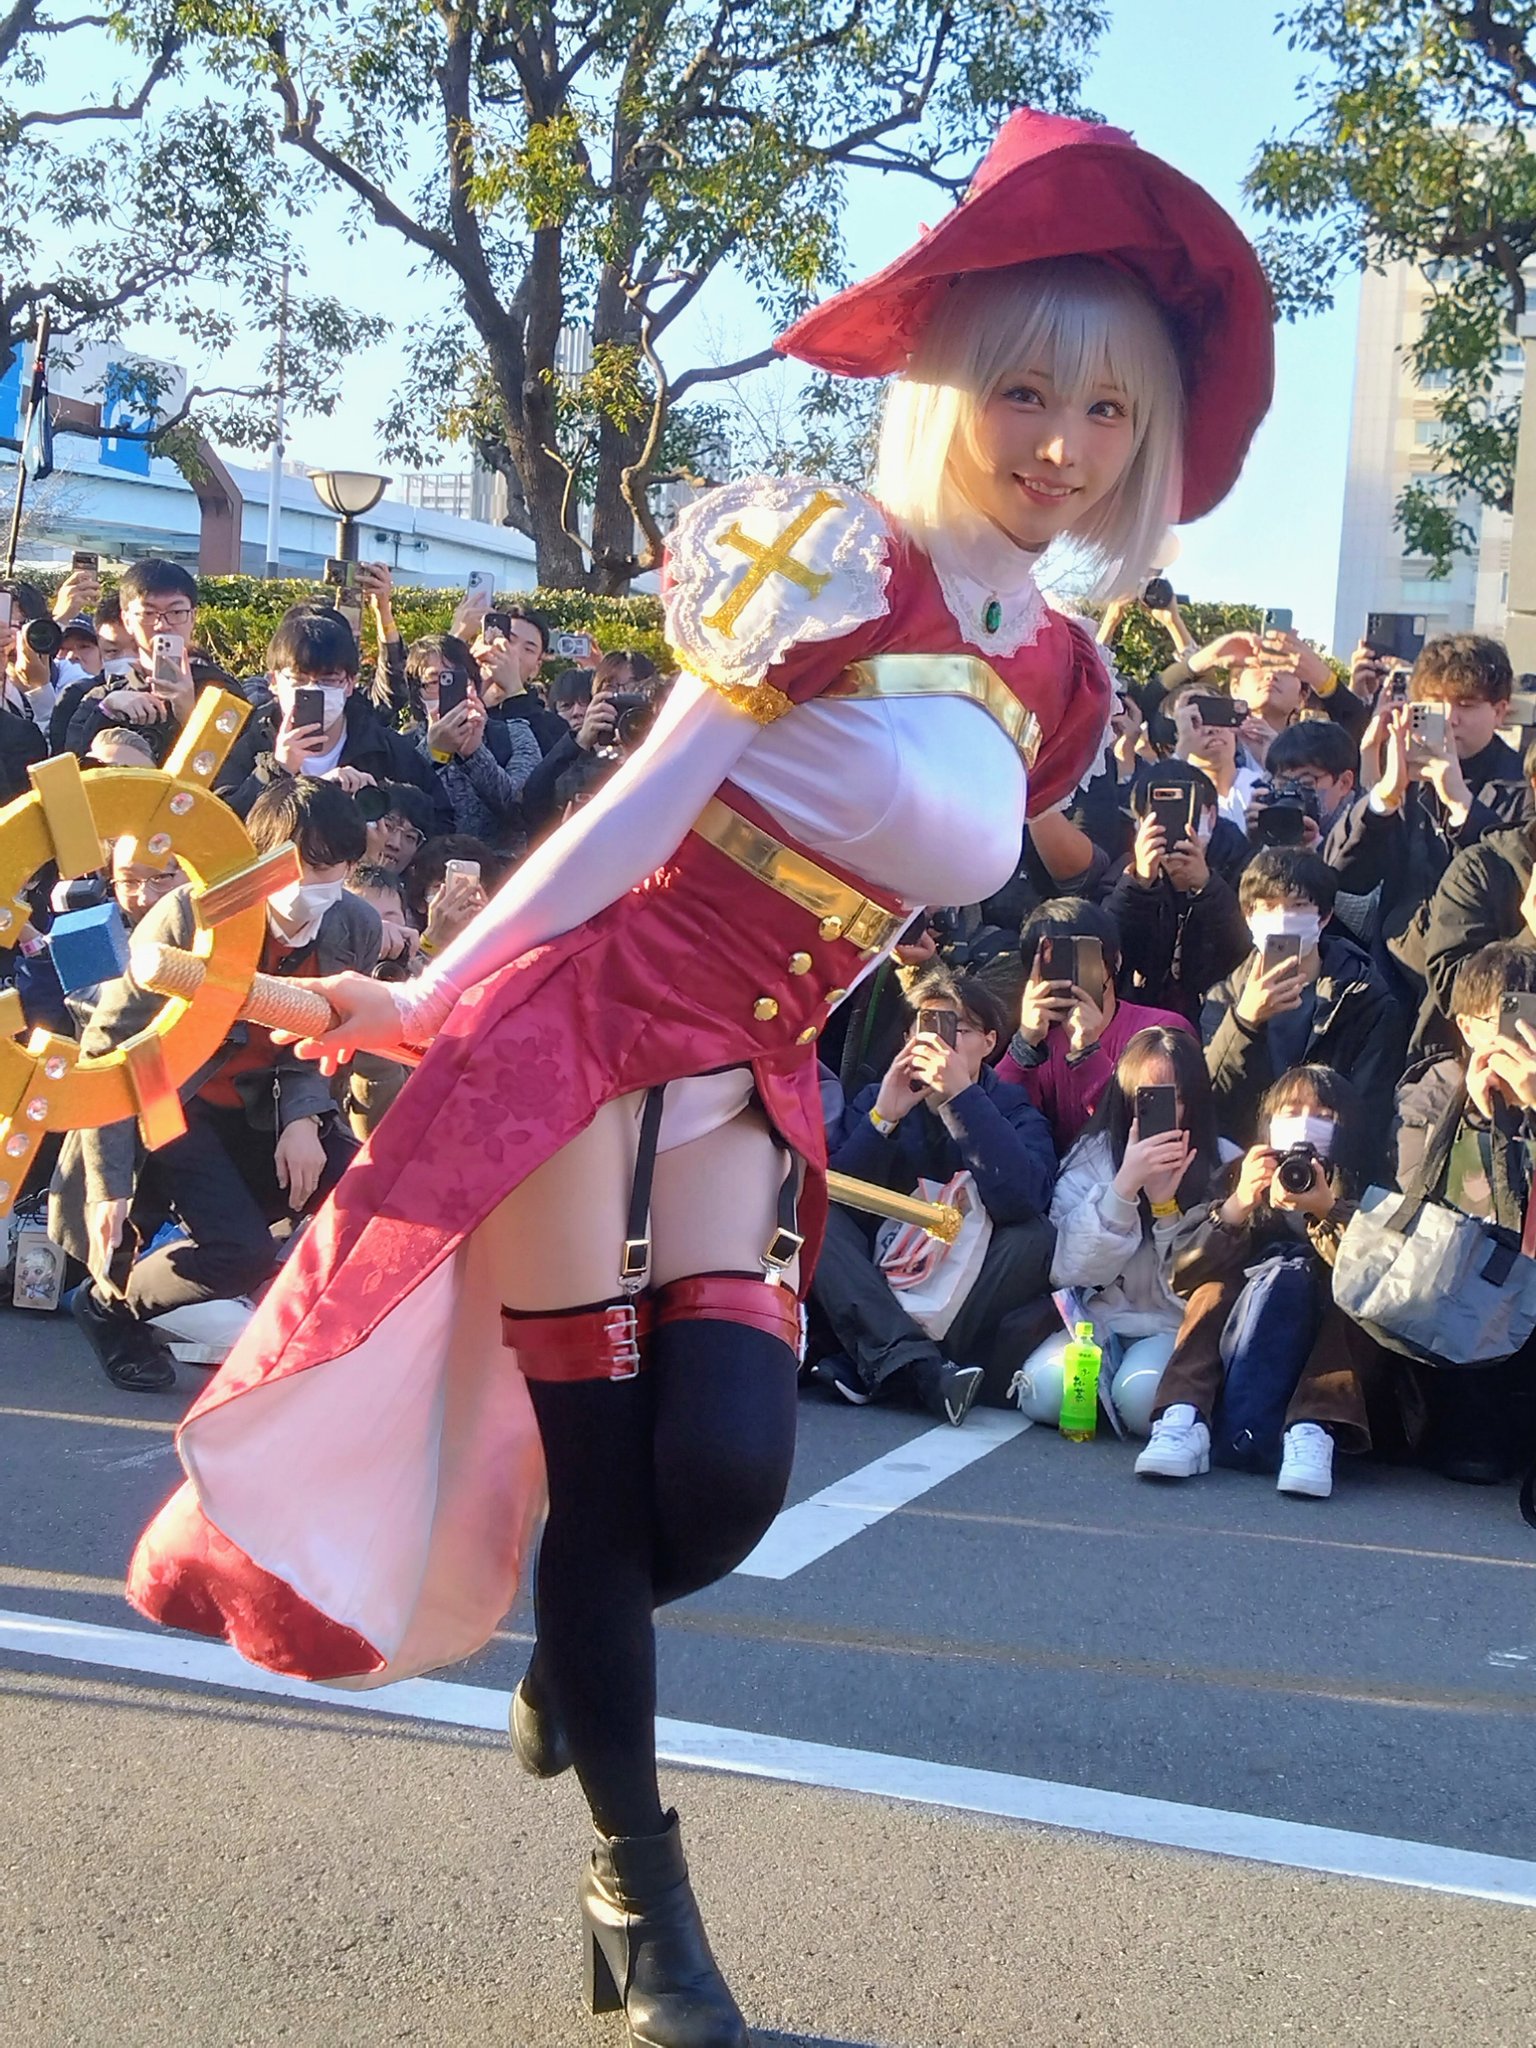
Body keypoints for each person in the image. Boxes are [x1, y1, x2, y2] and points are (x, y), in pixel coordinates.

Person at [125, 108, 1272, 2047]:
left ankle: (581, 1661)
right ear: (946, 382)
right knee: (608, 1471)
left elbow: (913, 888)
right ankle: (643, 1908)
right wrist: (432, 991)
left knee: (726, 1472)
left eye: (1105, 409)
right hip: (589, 1023)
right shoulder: (830, 558)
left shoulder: (1061, 670)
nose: (1062, 444)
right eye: (1023, 391)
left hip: (755, 1055)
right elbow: (645, 800)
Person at [51, 779, 378, 1393]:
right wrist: (108, 1186)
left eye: (329, 867)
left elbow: (327, 1032)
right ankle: (110, 1303)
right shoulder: (189, 915)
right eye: (297, 864)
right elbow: (108, 1047)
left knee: (373, 1192)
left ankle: (321, 1337)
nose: (311, 883)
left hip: (269, 1101)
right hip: (175, 1104)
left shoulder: (354, 924)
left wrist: (304, 1118)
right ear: (259, 858)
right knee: (238, 1254)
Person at [809, 967, 1057, 1420]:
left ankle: (885, 1359)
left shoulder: (1011, 1105)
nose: (941, 1043)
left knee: (1034, 1236)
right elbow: (844, 1199)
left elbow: (1022, 1199)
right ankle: (924, 1371)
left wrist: (962, 1099)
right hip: (886, 1272)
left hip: (965, 1281)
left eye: (957, 1030)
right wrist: (883, 1118)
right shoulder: (877, 1097)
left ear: (989, 1041)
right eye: (927, 1028)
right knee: (818, 1217)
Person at [1134, 1065, 1381, 1499]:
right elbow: (1182, 1273)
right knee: (1211, 1287)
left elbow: (1384, 1275)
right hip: (1246, 1332)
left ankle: (1314, 1428)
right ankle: (1184, 1415)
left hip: (1323, 1339)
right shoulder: (1240, 1172)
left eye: (1322, 1115)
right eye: (1292, 1111)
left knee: (1357, 1296)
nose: (1305, 1123)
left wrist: (1329, 1211)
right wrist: (1238, 1204)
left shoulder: (1370, 1182)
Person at [1390, 942, 1536, 1481]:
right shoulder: (1433, 1089)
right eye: (1507, 1019)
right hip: (1465, 1276)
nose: (1522, 1035)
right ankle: (1469, 1434)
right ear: (1469, 1027)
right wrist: (1475, 1112)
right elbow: (1414, 1190)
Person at [1038, 1026, 1237, 1423]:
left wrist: (1165, 1208)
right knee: (1045, 1394)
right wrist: (1124, 1188)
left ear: (1194, 1100)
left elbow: (1200, 1290)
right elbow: (1068, 1270)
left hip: (1171, 1326)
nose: (1161, 1110)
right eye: (1148, 1097)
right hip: (1098, 1321)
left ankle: (1124, 1396)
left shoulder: (1226, 1164)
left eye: (1174, 1097)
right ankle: (1106, 1386)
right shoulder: (1091, 1155)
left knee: (1141, 1399)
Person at [1329, 635, 1530, 1007]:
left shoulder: (1524, 785)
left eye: (1466, 704)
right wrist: (1384, 797)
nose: (1450, 719)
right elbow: (1343, 877)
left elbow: (1519, 887)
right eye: (1436, 704)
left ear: (1500, 711)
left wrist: (1462, 804)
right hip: (1394, 983)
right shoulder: (1406, 779)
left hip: (1484, 986)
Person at [1201, 847, 1407, 1161]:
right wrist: (1243, 1022)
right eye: (1269, 906)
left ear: (1324, 917)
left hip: (1329, 1163)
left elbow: (1369, 1110)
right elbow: (1207, 1100)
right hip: (1246, 1164)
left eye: (1298, 906)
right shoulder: (1224, 999)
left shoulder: (1364, 998)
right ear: (1249, 916)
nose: (1283, 918)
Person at [999, 898, 1195, 1152]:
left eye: (1082, 957)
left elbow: (1155, 1129)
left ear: (1116, 960)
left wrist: (1087, 1053)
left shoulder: (1161, 1031)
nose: (1068, 974)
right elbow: (998, 1121)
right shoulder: (1039, 1043)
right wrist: (1024, 1045)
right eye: (1053, 962)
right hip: (1059, 1174)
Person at [214, 610, 445, 825]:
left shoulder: (383, 749)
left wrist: (381, 800)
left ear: (350, 683)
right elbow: (218, 826)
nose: (313, 689)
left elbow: (440, 818)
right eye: (299, 679)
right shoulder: (247, 741)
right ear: (273, 682)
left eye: (328, 680)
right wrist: (277, 769)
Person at [1103, 760, 1251, 1022]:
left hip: (1220, 1010)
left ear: (1211, 816)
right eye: (1159, 815)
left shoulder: (1242, 864)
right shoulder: (1124, 872)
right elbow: (1108, 945)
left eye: (1188, 814)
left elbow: (1244, 947)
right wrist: (1140, 883)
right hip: (1144, 1013)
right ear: (1140, 823)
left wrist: (1207, 886)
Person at [404, 632, 540, 843]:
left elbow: (524, 810)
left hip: (500, 862)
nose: (444, 690)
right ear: (418, 695)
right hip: (425, 860)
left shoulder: (514, 734)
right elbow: (400, 808)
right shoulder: (402, 748)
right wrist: (433, 752)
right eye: (435, 681)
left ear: (473, 685)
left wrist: (475, 754)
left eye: (455, 680)